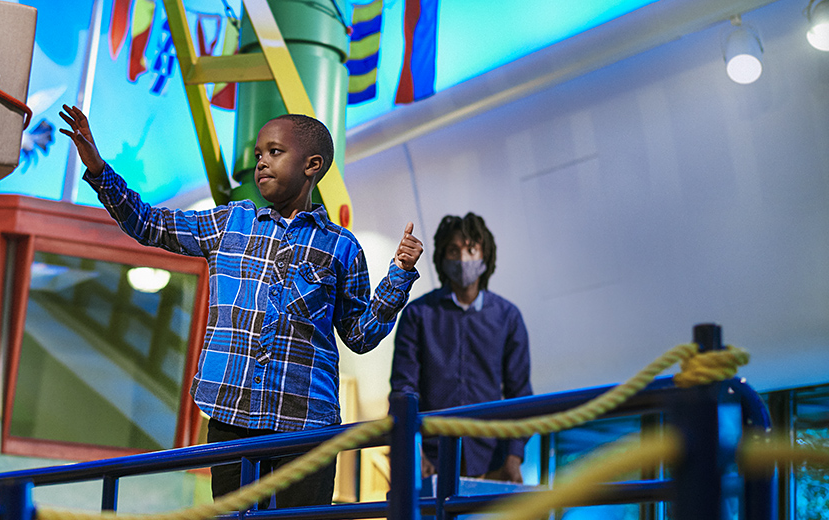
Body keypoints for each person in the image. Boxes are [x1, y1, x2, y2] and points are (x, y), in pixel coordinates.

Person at [59, 105, 424, 506]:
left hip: (305, 427)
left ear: (311, 165)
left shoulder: (341, 246)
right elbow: (150, 224)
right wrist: (98, 170)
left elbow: (360, 335)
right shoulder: (231, 222)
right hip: (231, 417)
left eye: (274, 152)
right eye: (258, 155)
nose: (261, 162)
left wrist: (399, 274)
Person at [389, 213, 532, 483]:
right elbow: (403, 389)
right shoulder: (418, 315)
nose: (463, 258)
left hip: (493, 460)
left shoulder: (508, 317)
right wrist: (415, 452)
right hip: (432, 458)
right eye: (453, 250)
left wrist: (514, 458)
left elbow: (520, 394)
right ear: (442, 257)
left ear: (485, 254)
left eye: (471, 249)